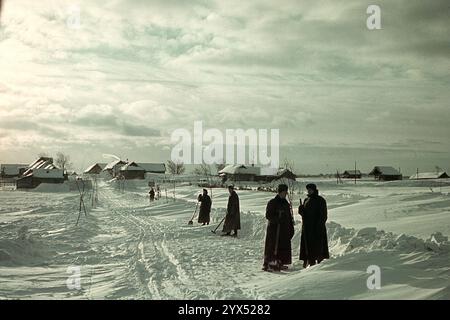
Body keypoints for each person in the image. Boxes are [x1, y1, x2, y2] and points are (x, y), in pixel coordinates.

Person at [263, 184, 295, 271]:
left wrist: (291, 227)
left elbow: (289, 216)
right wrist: (277, 219)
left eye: (286, 192)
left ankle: (280, 263)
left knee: (282, 247)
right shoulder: (273, 202)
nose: (285, 194)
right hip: (274, 230)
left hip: (283, 230)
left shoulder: (285, 203)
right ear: (280, 192)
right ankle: (270, 263)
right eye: (284, 192)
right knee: (273, 247)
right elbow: (268, 215)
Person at [298, 183, 329, 268]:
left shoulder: (320, 200)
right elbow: (305, 214)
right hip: (307, 228)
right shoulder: (306, 200)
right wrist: (301, 211)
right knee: (309, 247)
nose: (309, 191)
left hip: (317, 228)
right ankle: (309, 261)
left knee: (318, 247)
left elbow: (323, 215)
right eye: (308, 189)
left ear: (314, 190)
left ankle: (320, 264)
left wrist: (319, 226)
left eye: (310, 189)